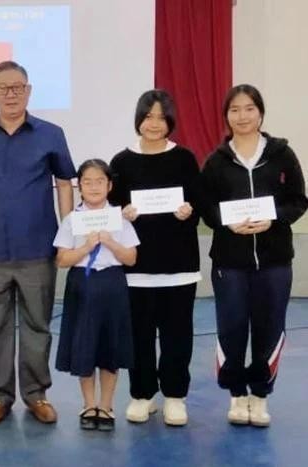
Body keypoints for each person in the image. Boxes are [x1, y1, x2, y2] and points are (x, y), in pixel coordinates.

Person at [0, 60, 76, 425]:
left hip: (38, 248)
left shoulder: (51, 134)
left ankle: (36, 395)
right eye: (2, 88)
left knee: (38, 325)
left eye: (17, 87)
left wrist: (67, 232)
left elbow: (65, 181)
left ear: (29, 91)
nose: (10, 94)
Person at [201, 84, 308, 427]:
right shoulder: (217, 161)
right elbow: (207, 207)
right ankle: (236, 395)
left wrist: (273, 217)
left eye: (249, 108)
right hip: (229, 263)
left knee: (269, 328)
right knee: (231, 328)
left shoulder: (281, 154)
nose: (242, 116)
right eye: (235, 110)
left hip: (275, 262)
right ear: (226, 116)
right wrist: (227, 224)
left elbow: (298, 200)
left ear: (260, 112)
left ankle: (260, 396)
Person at [108, 89, 202, 426]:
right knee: (139, 334)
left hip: (179, 266)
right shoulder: (120, 162)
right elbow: (109, 209)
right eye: (149, 116)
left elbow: (199, 206)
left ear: (170, 121)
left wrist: (188, 211)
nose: (155, 124)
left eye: (162, 117)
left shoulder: (185, 159)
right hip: (137, 267)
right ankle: (142, 395)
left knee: (178, 334)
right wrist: (122, 213)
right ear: (139, 119)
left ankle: (175, 396)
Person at [54, 159, 139, 431]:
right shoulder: (72, 219)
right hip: (82, 284)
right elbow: (62, 259)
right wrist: (86, 247)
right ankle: (89, 404)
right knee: (85, 344)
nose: (93, 187)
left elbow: (131, 259)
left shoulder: (119, 218)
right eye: (87, 182)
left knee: (110, 346)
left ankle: (106, 405)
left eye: (99, 181)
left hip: (113, 284)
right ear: (79, 186)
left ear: (109, 185)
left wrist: (110, 241)